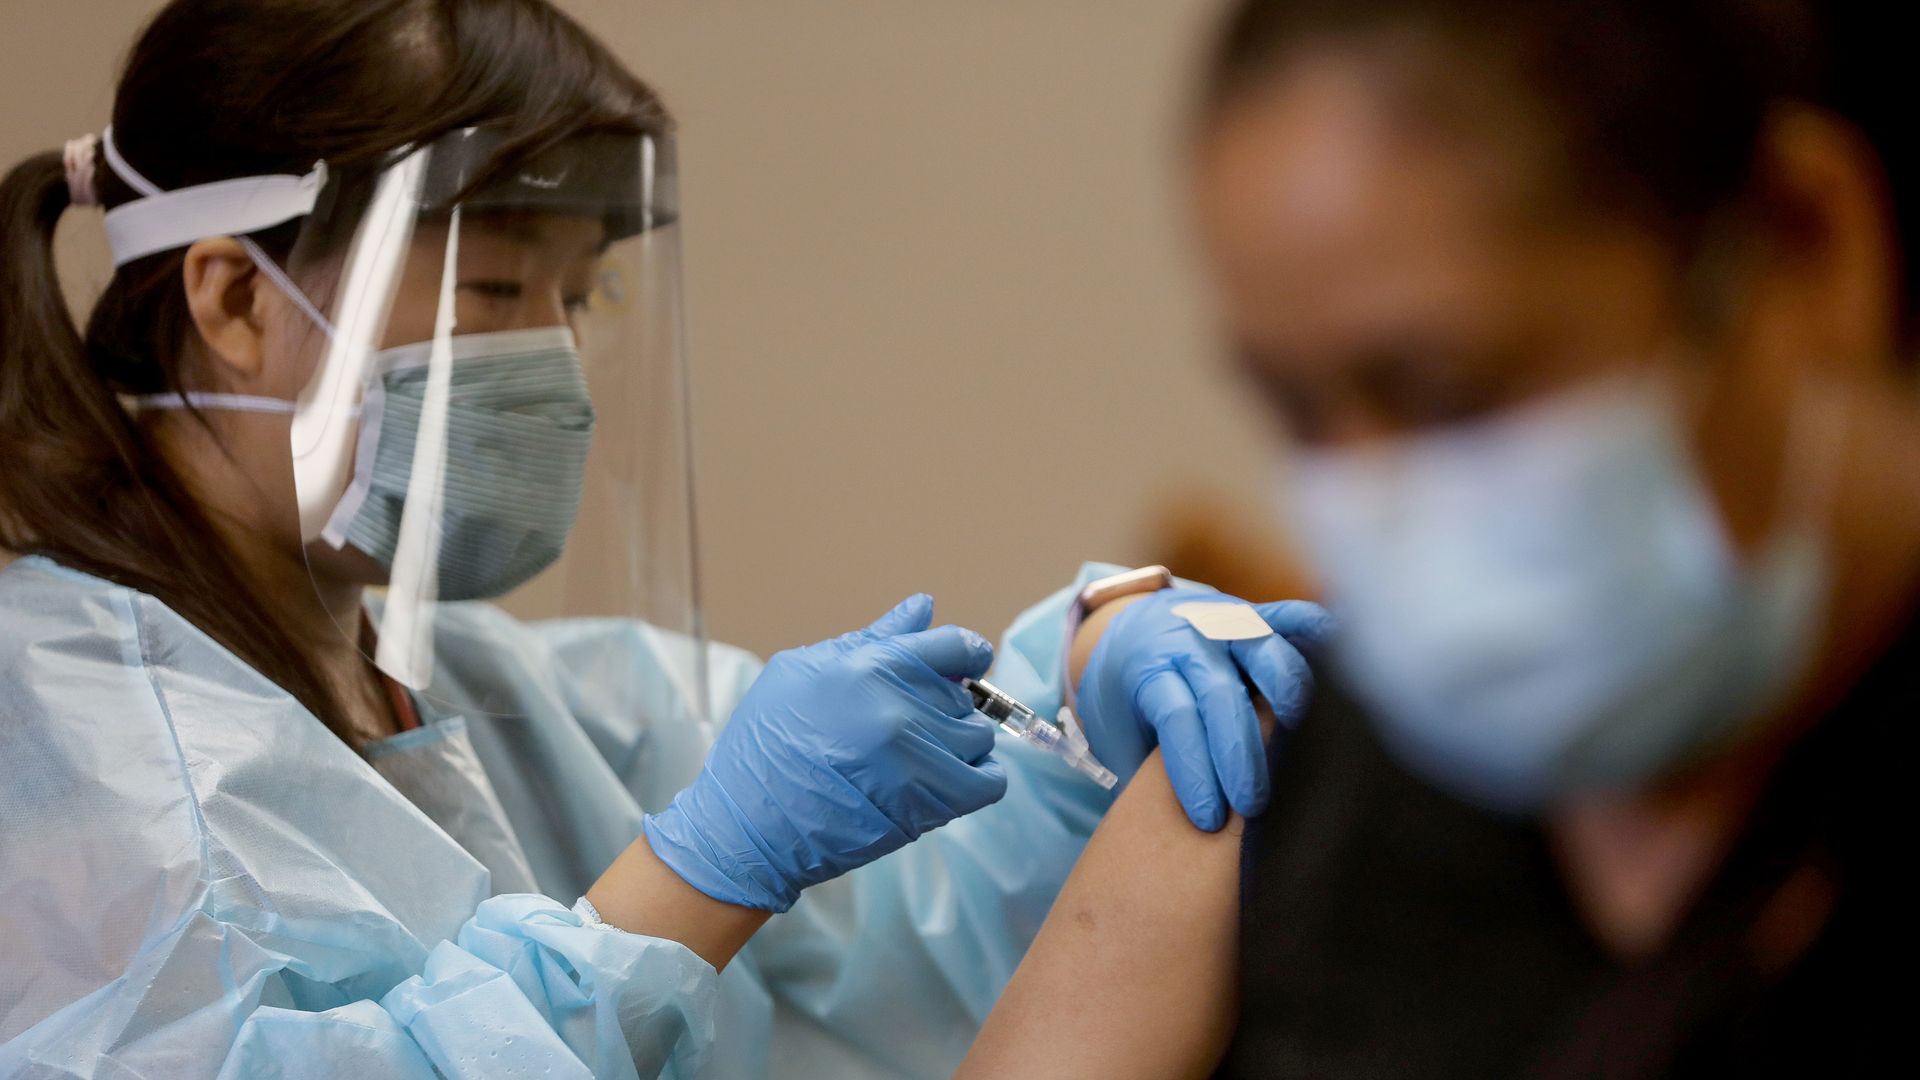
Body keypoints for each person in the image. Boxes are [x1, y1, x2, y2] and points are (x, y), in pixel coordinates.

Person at [0, 2, 1316, 1077]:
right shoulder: (63, 740)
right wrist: (699, 878)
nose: (556, 369)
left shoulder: (506, 701)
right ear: (233, 294)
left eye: (577, 299)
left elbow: (911, 945)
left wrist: (1082, 707)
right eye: (500, 289)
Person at [962, 0, 1916, 1075]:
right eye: (1299, 415)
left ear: (1805, 242)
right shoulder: (1317, 796)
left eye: (1451, 395)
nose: (1386, 510)